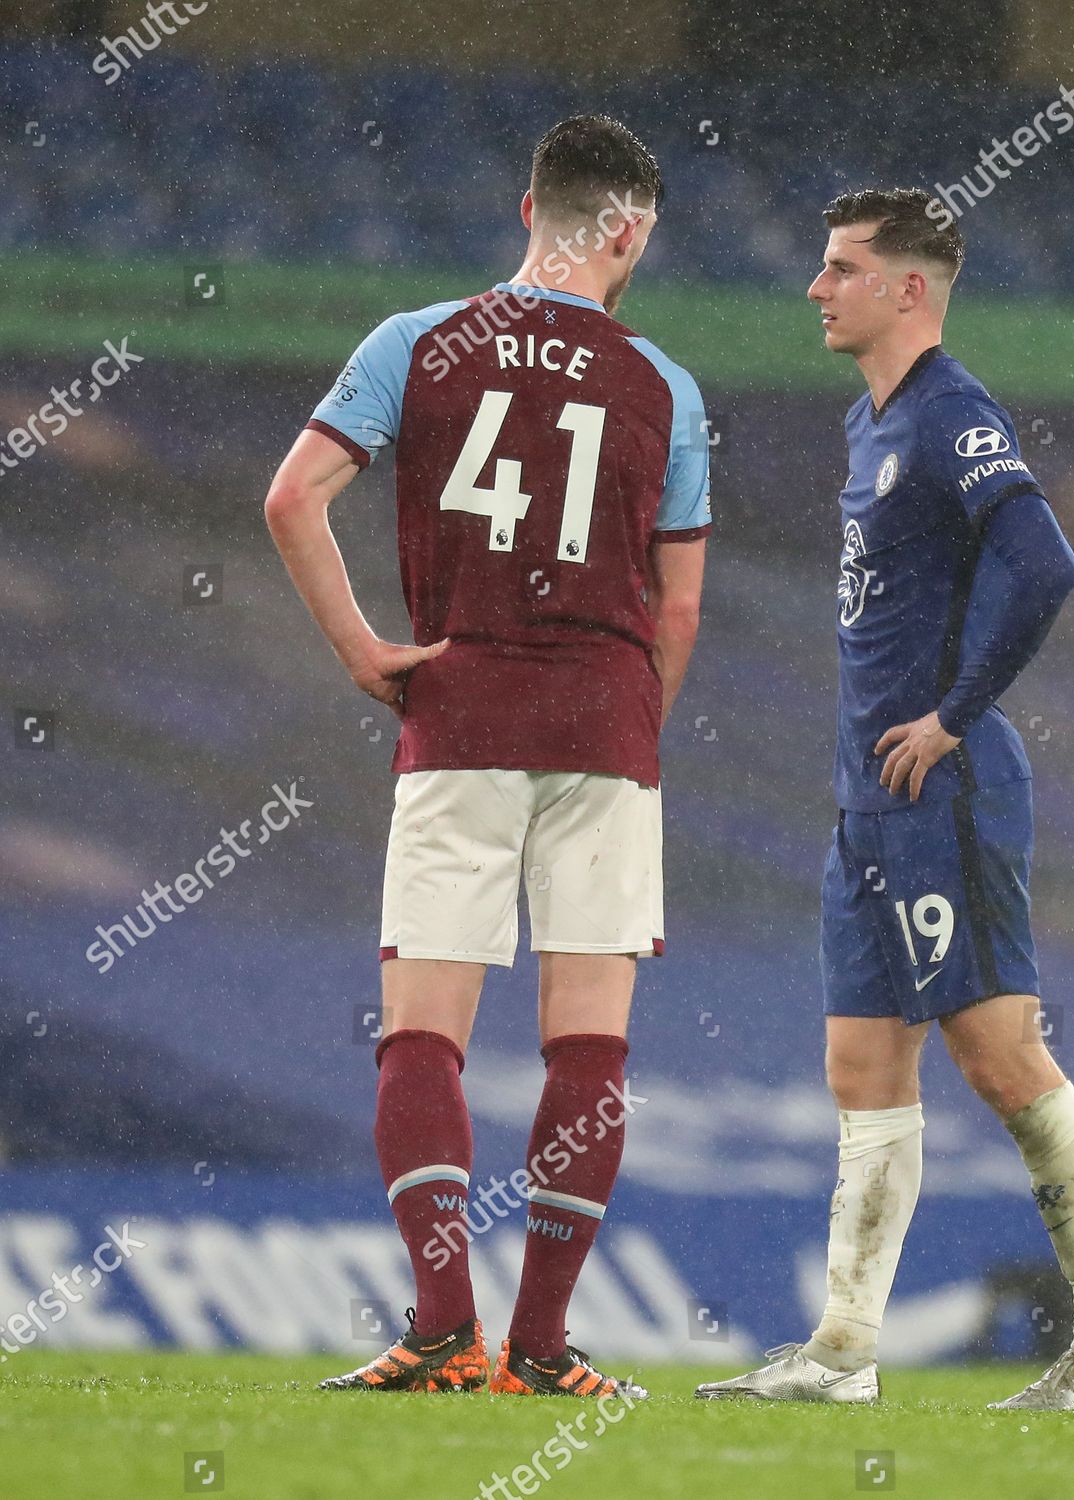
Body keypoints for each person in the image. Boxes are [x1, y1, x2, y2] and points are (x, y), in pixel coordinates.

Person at [264, 114, 709, 1399]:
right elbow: (676, 610)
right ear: (627, 233)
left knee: (423, 1034)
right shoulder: (665, 386)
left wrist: (363, 647)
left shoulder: (415, 343)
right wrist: (629, 720)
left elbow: (294, 496)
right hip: (604, 725)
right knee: (589, 1048)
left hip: (457, 709)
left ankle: (444, 1329)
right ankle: (547, 1345)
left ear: (528, 212)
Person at [695, 187, 1074, 1412]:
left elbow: (1044, 562)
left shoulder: (952, 415)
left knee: (1001, 1057)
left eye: (840, 267)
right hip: (869, 807)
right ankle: (843, 1353)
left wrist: (955, 714)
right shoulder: (870, 423)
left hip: (940, 790)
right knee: (859, 1064)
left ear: (909, 289)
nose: (815, 287)